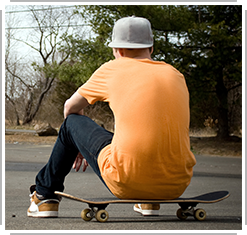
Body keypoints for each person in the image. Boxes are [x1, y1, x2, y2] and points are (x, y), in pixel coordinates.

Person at [27, 16, 196, 218]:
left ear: (118, 50)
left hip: (126, 181)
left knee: (71, 122)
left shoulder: (112, 69)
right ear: (151, 48)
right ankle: (149, 202)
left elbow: (70, 107)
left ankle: (45, 196)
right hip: (176, 184)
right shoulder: (176, 75)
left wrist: (79, 145)